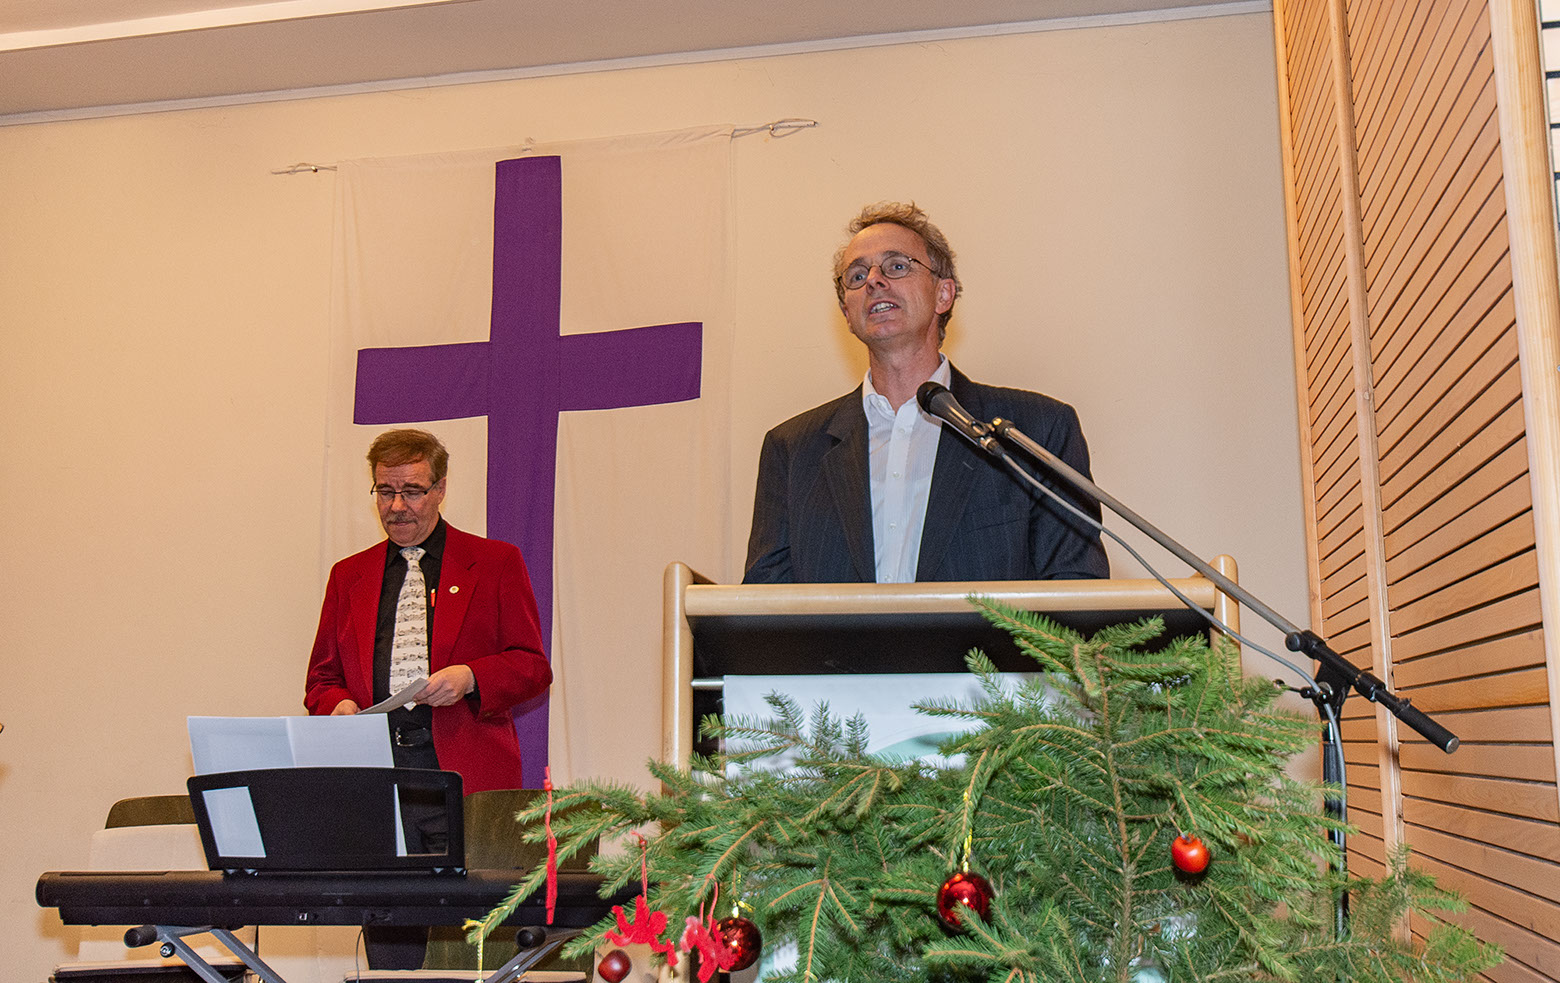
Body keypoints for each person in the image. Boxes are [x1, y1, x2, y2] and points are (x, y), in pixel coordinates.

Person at [744, 202, 1109, 584]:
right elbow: (766, 602)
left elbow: (1074, 587)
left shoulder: (1035, 431)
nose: (873, 281)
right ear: (847, 313)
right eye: (856, 275)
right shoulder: (793, 450)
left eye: (896, 266)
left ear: (943, 294)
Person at [304, 428, 551, 968]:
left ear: (440, 488)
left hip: (460, 777)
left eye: (412, 490)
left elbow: (533, 667)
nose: (397, 506)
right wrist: (337, 706)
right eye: (385, 491)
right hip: (377, 780)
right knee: (391, 935)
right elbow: (321, 680)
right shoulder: (348, 576)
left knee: (468, 941)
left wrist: (470, 676)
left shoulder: (495, 562)